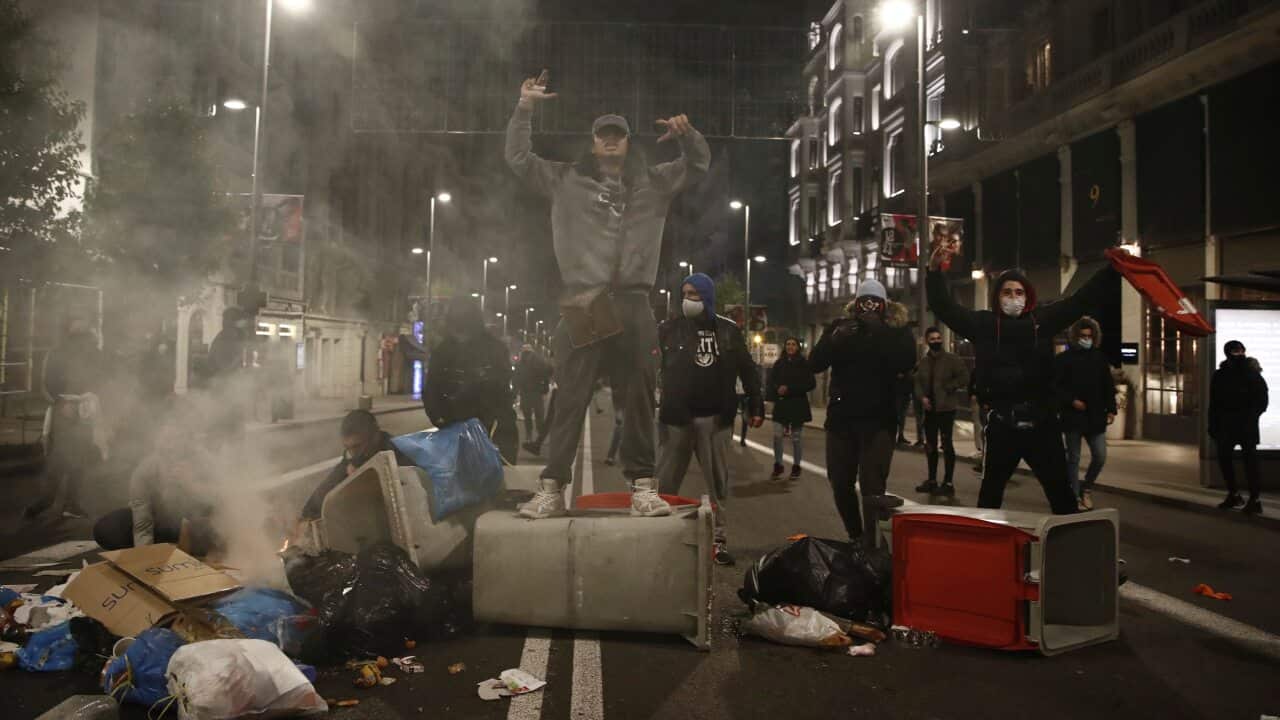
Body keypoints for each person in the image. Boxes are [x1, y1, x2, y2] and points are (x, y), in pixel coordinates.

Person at [506, 69, 710, 519]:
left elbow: (698, 165)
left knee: (638, 394)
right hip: (585, 300)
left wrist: (688, 135)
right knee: (570, 396)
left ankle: (642, 487)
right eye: (604, 135)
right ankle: (552, 487)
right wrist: (525, 108)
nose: (611, 141)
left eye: (618, 135)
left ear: (627, 142)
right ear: (594, 142)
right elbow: (519, 158)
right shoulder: (564, 179)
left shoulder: (654, 181)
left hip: (634, 300)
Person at [927, 240, 1120, 514]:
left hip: (1043, 425)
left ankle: (1069, 551)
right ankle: (987, 552)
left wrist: (1113, 270)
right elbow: (944, 307)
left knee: (1062, 498)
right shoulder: (983, 325)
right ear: (997, 297)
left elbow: (1081, 300)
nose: (1013, 297)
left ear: (1027, 296)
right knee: (990, 499)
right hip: (1003, 425)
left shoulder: (1042, 321)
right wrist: (934, 273)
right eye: (1007, 292)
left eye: (1018, 291)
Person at [655, 274, 763, 565]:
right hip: (677, 419)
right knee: (665, 483)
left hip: (714, 419)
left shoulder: (728, 331)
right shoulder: (669, 329)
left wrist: (756, 404)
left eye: (693, 294)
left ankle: (718, 539)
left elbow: (748, 369)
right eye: (685, 293)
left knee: (718, 483)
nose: (687, 300)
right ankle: (659, 535)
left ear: (707, 298)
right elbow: (651, 365)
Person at [810, 280, 917, 547]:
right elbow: (815, 363)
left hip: (879, 420)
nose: (868, 307)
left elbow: (906, 360)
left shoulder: (897, 331)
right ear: (855, 304)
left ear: (884, 305)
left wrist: (879, 332)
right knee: (840, 481)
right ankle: (856, 536)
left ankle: (873, 543)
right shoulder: (840, 327)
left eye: (874, 302)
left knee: (872, 487)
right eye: (863, 301)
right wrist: (834, 340)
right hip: (841, 419)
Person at [94, 418, 219, 554]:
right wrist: (146, 557)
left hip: (197, 521)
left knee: (215, 531)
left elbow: (222, 499)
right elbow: (142, 523)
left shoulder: (203, 459)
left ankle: (186, 546)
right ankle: (168, 547)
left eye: (177, 439)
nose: (172, 448)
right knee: (107, 528)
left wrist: (191, 485)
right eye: (167, 441)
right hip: (163, 523)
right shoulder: (145, 471)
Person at [24, 316, 104, 521]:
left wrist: (91, 399)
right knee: (60, 456)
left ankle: (71, 503)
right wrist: (61, 404)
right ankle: (46, 500)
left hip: (83, 410)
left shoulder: (92, 352)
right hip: (64, 410)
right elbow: (45, 383)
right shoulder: (57, 353)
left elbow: (99, 378)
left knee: (81, 457)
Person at [424, 298, 519, 463]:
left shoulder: (494, 349)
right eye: (456, 328)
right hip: (455, 428)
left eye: (463, 328)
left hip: (491, 429)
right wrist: (440, 418)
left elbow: (502, 390)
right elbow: (431, 388)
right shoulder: (443, 351)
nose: (460, 335)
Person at [299, 410, 414, 522]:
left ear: (375, 437)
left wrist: (364, 484)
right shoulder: (354, 456)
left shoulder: (399, 455)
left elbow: (408, 495)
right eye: (347, 448)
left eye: (357, 447)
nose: (353, 454)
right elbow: (330, 484)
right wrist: (306, 516)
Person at [1053, 317, 1117, 510]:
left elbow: (1107, 384)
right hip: (1072, 416)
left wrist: (1111, 409)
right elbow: (1055, 387)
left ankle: (1086, 488)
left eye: (1089, 336)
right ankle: (1073, 496)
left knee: (1100, 456)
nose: (1086, 339)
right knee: (1073, 458)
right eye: (1082, 336)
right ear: (1075, 336)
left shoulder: (1099, 358)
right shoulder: (1064, 359)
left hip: (1095, 416)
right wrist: (1071, 400)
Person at [1208, 340, 1268, 515]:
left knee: (1247, 462)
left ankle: (1250, 498)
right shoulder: (1229, 374)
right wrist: (1214, 424)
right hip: (1234, 425)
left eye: (1239, 350)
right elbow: (1215, 403)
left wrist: (1250, 416)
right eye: (1235, 350)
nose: (1238, 353)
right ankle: (1239, 495)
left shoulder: (1246, 373)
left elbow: (1261, 401)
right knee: (1233, 460)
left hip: (1239, 425)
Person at [913, 327, 970, 497]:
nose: (937, 341)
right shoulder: (923, 362)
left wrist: (948, 387)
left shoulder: (952, 360)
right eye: (933, 338)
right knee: (930, 446)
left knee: (947, 445)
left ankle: (948, 482)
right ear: (927, 341)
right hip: (930, 410)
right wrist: (922, 398)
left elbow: (964, 377)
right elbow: (917, 382)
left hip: (946, 409)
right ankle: (931, 480)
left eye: (939, 338)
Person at [766, 337, 815, 481]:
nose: (790, 347)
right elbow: (771, 381)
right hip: (781, 405)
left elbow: (811, 384)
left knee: (796, 438)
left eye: (793, 344)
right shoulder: (779, 363)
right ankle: (778, 464)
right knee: (777, 435)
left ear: (798, 347)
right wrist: (776, 389)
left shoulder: (804, 364)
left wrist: (790, 389)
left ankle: (796, 466)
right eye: (788, 344)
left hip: (797, 404)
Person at [513, 345, 551, 442]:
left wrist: (515, 392)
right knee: (537, 416)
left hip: (528, 393)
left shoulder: (520, 364)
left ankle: (531, 436)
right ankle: (538, 436)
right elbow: (546, 373)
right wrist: (545, 386)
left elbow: (516, 379)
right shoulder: (538, 362)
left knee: (529, 417)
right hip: (534, 392)